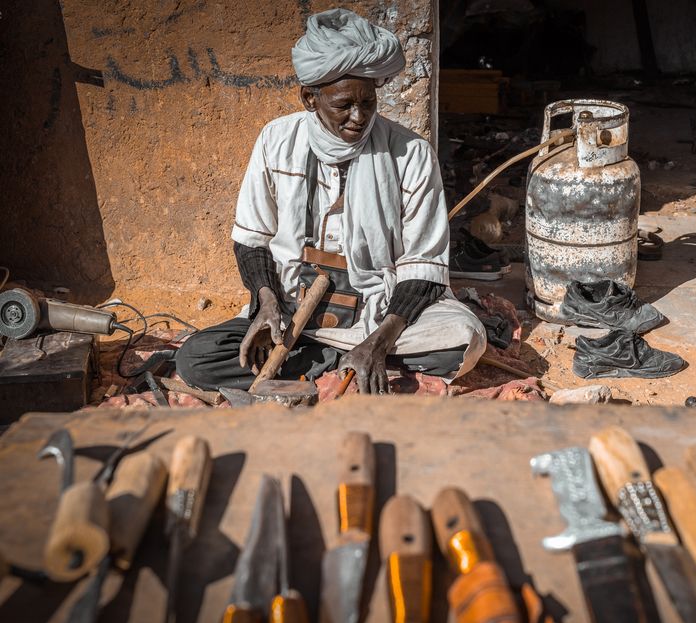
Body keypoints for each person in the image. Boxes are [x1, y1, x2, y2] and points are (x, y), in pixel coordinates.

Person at [176, 9, 486, 394]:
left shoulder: (411, 153)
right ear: (310, 98)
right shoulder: (276, 141)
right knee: (196, 358)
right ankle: (344, 361)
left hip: (379, 312)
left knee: (464, 339)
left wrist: (378, 341)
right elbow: (252, 239)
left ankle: (354, 355)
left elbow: (423, 267)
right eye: (343, 105)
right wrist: (266, 301)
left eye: (368, 103)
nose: (359, 117)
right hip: (291, 310)